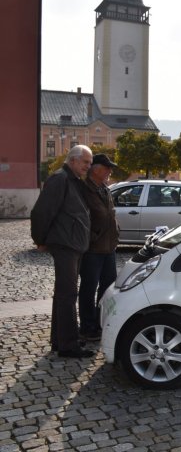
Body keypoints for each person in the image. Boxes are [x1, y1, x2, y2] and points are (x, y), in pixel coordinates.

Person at [30, 145, 94, 358]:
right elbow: (41, 212)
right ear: (73, 160)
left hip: (73, 244)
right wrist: (39, 239)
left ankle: (60, 340)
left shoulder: (73, 180)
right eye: (85, 162)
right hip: (65, 244)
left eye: (90, 162)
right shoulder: (60, 179)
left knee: (63, 295)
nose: (88, 166)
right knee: (68, 295)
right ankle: (69, 345)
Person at [78, 153, 120, 341]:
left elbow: (110, 215)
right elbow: (81, 218)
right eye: (106, 168)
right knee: (89, 288)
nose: (110, 171)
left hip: (109, 248)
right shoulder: (84, 189)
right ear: (95, 169)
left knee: (108, 287)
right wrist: (91, 238)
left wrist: (116, 232)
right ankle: (87, 327)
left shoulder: (104, 188)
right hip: (92, 249)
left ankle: (101, 322)